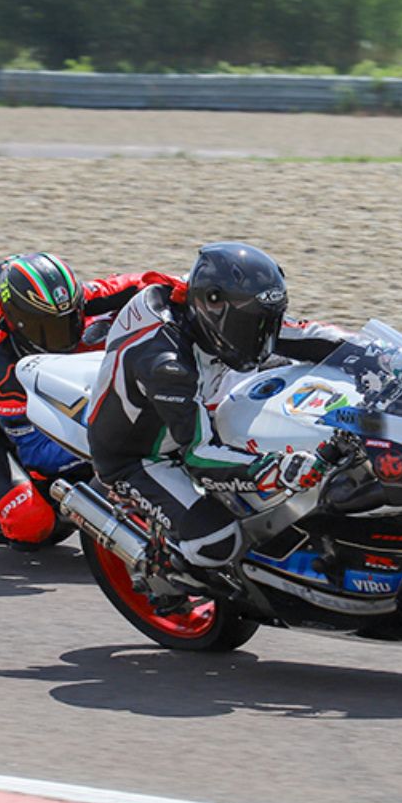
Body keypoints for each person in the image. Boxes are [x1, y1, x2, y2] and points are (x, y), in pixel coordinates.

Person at [86, 242, 348, 571]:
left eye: (263, 323)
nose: (261, 336)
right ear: (214, 312)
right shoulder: (167, 364)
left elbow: (300, 334)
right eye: (251, 327)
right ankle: (170, 570)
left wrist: (370, 352)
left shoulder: (217, 304)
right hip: (144, 457)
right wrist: (273, 470)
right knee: (217, 542)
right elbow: (198, 452)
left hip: (209, 397)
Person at [0, 252, 181, 547]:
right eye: (46, 328)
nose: (64, 336)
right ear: (17, 322)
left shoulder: (70, 300)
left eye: (69, 320)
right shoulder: (2, 369)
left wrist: (186, 289)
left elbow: (141, 285)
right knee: (33, 524)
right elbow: (38, 452)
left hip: (25, 383)